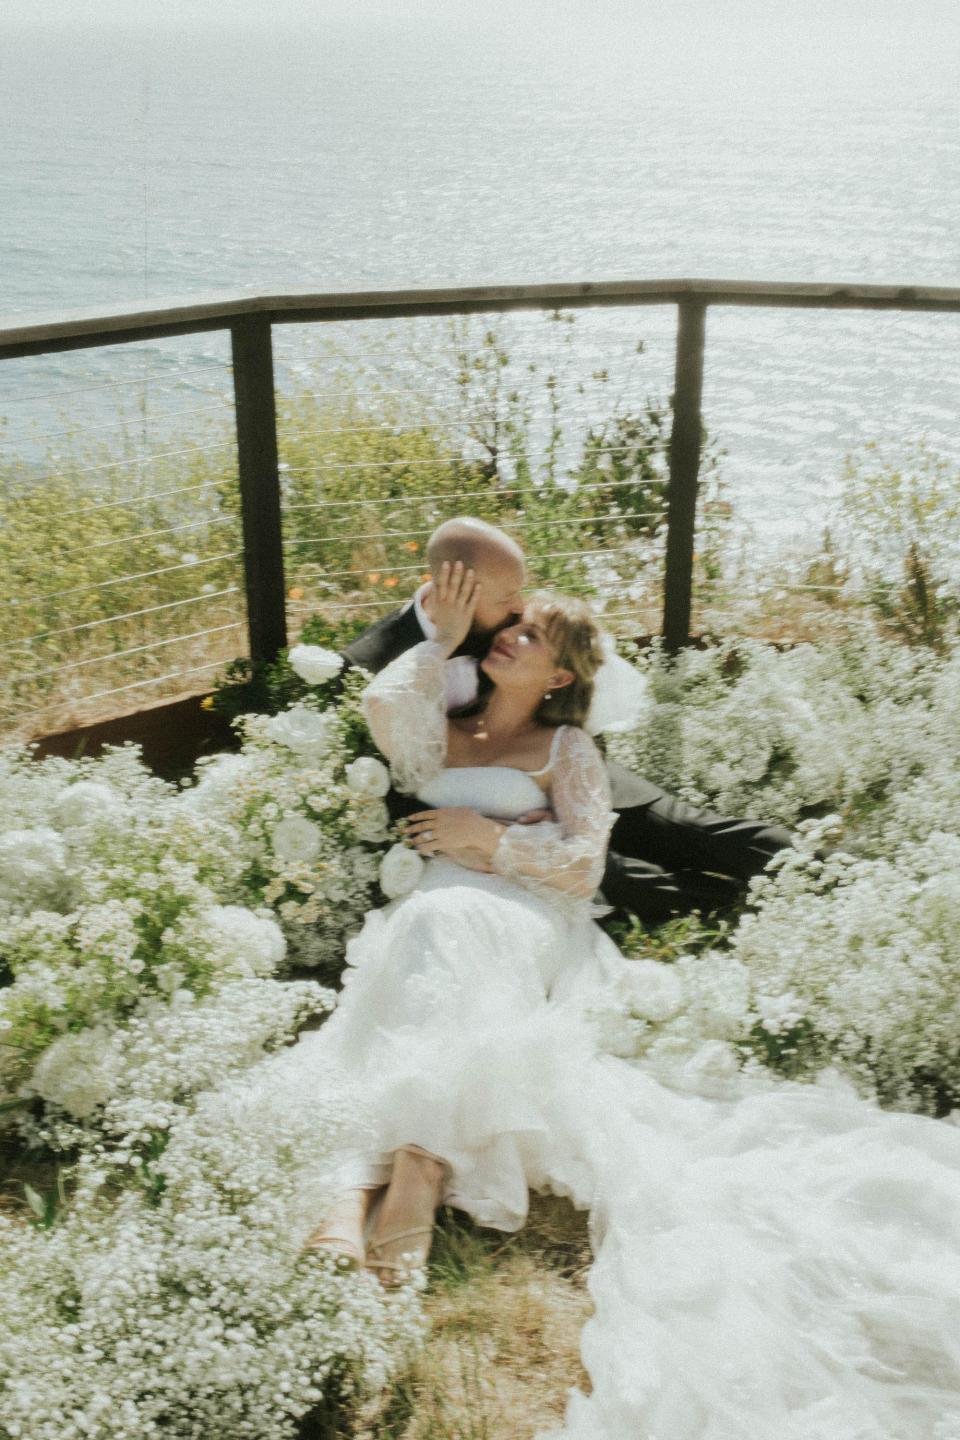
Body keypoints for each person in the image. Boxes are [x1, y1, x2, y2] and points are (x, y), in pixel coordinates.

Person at [280, 567, 960, 1437]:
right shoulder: (441, 726)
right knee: (419, 942)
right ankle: (362, 1185)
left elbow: (585, 867)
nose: (509, 637)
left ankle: (410, 1173)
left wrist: (489, 841)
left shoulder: (571, 753)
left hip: (526, 914)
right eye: (509, 628)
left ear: (560, 677)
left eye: (530, 637)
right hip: (431, 907)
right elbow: (382, 708)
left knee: (452, 928)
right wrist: (440, 641)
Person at [343, 517, 793, 927]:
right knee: (615, 877)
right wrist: (489, 824)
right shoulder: (369, 663)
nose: (517, 609)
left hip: (561, 770)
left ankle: (830, 868)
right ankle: (735, 907)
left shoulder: (511, 621)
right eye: (507, 599)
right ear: (458, 586)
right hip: (477, 818)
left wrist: (568, 790)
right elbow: (381, 777)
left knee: (695, 834)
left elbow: (571, 687)